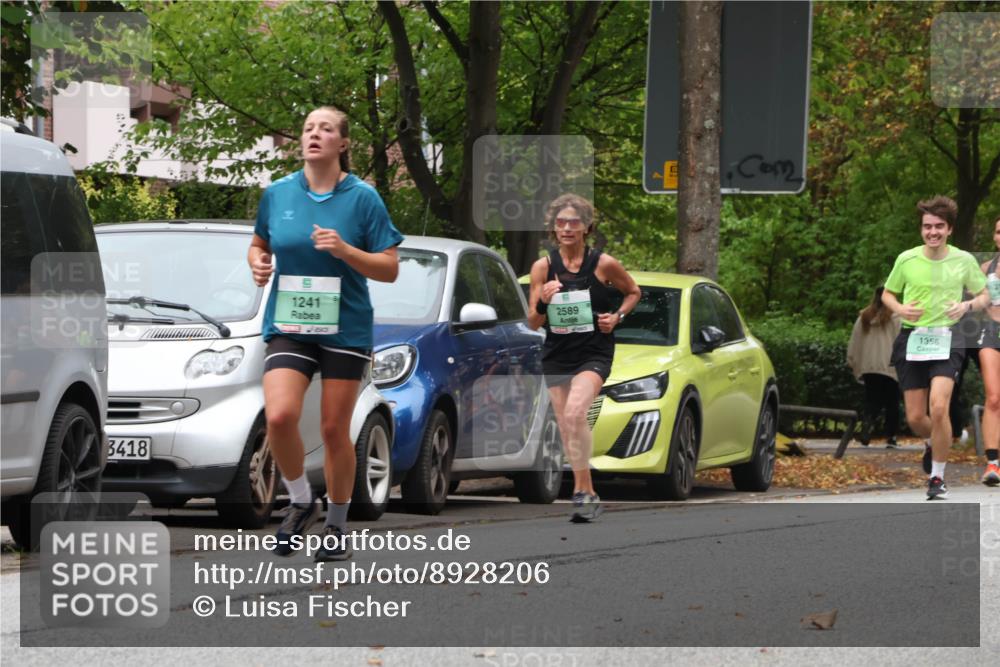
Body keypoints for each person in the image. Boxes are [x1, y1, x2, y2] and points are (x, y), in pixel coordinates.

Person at [248, 106, 402, 560]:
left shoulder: (363, 199)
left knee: (335, 429)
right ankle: (300, 501)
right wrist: (256, 261)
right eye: (309, 128)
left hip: (344, 327)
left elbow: (390, 268)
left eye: (326, 129)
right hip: (290, 324)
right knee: (278, 416)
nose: (315, 135)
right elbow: (260, 242)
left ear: (343, 143)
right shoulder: (277, 194)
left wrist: (346, 249)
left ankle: (336, 528)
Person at [527, 193, 641, 522]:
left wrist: (617, 316)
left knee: (577, 412)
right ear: (554, 228)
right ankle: (587, 492)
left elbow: (634, 292)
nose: (566, 228)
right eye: (560, 223)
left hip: (594, 351)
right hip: (557, 353)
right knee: (567, 425)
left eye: (573, 223)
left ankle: (581, 490)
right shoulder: (543, 267)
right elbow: (533, 322)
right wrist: (544, 303)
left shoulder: (603, 264)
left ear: (586, 228)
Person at [881, 196, 990, 500]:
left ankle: (937, 478)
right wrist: (901, 308)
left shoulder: (963, 260)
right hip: (912, 337)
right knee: (917, 418)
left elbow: (984, 296)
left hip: (948, 337)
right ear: (921, 229)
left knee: (939, 407)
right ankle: (933, 441)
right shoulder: (907, 259)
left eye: (939, 226)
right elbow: (888, 295)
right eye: (928, 226)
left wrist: (966, 304)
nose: (933, 232)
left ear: (949, 229)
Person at [847, 286, 902, 448]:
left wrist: (853, 361)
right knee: (892, 403)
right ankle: (891, 437)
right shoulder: (896, 317)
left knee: (872, 400)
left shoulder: (864, 318)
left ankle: (867, 426)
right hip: (889, 366)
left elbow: (855, 341)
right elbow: (901, 341)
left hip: (869, 366)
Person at [974, 217, 1000, 485]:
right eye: (999, 232)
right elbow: (977, 302)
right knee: (993, 398)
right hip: (992, 332)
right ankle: (993, 464)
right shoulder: (985, 268)